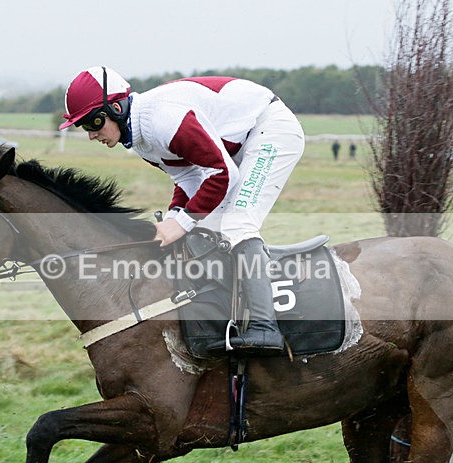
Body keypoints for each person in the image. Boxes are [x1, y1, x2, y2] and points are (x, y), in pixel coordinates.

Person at [59, 66, 305, 356]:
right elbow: (189, 178)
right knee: (204, 231)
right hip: (236, 146)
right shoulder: (139, 141)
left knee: (237, 226)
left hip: (270, 129)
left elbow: (222, 174)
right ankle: (229, 315)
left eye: (92, 123)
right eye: (84, 127)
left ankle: (266, 328)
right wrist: (176, 216)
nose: (91, 135)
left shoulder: (163, 121)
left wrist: (181, 223)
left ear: (115, 107)